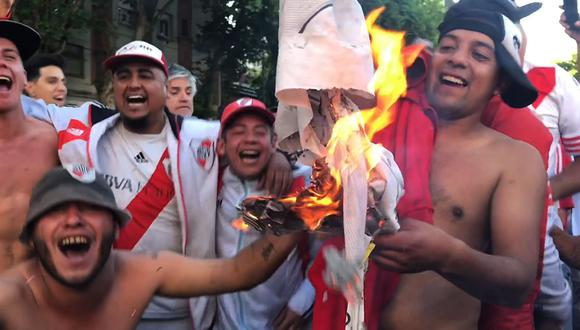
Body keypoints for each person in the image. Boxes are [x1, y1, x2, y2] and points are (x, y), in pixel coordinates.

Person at [22, 40, 293, 329]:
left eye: (145, 75)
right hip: (103, 309)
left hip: (182, 312)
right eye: (123, 76)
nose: (133, 84)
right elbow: (22, 104)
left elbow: (252, 140)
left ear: (165, 87)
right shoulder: (84, 124)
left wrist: (280, 157)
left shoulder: (202, 137)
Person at [371, 6, 546, 329]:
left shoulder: (516, 160)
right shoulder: (378, 126)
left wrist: (447, 256)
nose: (457, 58)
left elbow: (518, 284)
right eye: (448, 46)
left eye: (479, 55)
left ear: (499, 84)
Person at [0, 166, 300, 330]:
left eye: (89, 208)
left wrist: (306, 213)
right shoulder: (10, 299)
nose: (73, 220)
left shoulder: (139, 273)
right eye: (55, 211)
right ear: (32, 236)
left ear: (116, 228)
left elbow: (239, 272)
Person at [215, 97, 315, 330]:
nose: (249, 138)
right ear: (221, 145)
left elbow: (329, 251)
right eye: (239, 131)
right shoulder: (210, 182)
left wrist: (302, 303)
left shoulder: (303, 183)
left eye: (259, 132)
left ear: (273, 143)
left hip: (284, 322)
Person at [0, 20, 58, 272]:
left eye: (9, 56)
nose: (1, 62)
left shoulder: (56, 143)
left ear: (25, 79)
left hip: (37, 299)